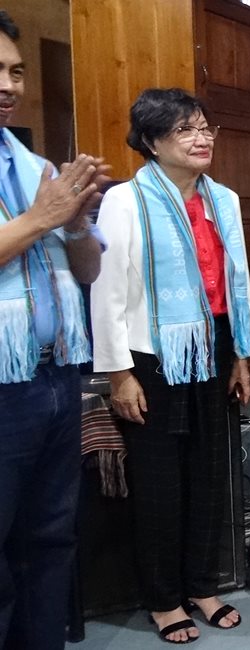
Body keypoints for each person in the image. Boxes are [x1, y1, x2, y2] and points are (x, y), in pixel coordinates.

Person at [90, 88, 250, 644]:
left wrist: (240, 357)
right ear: (153, 142)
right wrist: (118, 373)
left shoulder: (223, 200)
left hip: (214, 344)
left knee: (210, 475)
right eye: (185, 130)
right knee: (160, 482)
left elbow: (235, 286)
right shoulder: (125, 201)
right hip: (151, 357)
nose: (201, 138)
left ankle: (203, 585)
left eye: (205, 127)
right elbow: (108, 291)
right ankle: (163, 598)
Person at [0, 11, 108, 650]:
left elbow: (88, 268)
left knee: (49, 538)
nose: (9, 85)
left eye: (15, 71)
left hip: (55, 374)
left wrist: (73, 223)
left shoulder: (35, 164)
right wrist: (44, 217)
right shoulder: (44, 189)